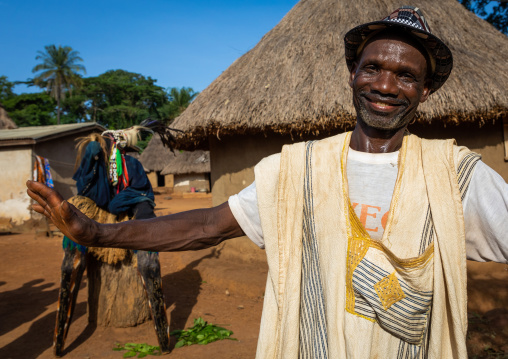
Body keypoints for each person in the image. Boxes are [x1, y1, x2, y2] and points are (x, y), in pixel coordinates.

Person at [27, 6, 508, 359]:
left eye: (406, 75)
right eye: (374, 68)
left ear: (425, 91)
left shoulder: (457, 176)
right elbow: (208, 226)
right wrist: (96, 234)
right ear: (352, 74)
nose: (385, 85)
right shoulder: (295, 170)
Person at [51, 131, 170, 356]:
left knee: (148, 256)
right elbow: (85, 189)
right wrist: (94, 149)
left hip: (131, 211)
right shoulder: (93, 164)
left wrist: (128, 204)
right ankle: (59, 340)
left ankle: (162, 336)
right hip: (95, 213)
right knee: (70, 264)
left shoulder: (131, 166)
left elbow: (142, 194)